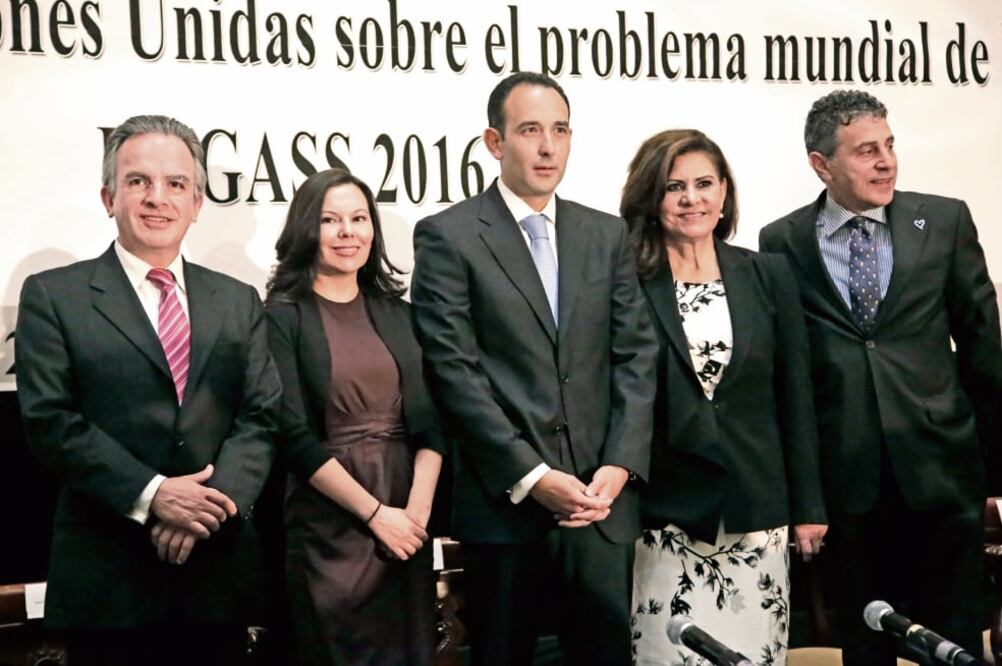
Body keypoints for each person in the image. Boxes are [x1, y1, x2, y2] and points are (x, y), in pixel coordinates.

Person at [410, 71, 659, 666]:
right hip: (507, 508)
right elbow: (454, 373)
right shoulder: (449, 236)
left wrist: (619, 465)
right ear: (496, 143)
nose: (548, 146)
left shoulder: (605, 233)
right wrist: (533, 476)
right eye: (530, 131)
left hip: (601, 505)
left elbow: (636, 356)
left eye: (560, 130)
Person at [14, 115, 280, 666]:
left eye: (176, 184)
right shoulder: (53, 296)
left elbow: (261, 416)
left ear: (198, 203)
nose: (157, 198)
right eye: (138, 181)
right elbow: (51, 422)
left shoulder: (238, 300)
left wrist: (210, 507)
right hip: (108, 580)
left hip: (216, 571)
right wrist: (156, 494)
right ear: (109, 197)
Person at [760, 90, 1002, 664]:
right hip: (850, 483)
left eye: (889, 145)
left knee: (955, 645)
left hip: (942, 471)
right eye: (866, 150)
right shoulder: (781, 242)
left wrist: (995, 474)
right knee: (866, 644)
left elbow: (983, 350)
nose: (887, 161)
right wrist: (806, 496)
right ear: (822, 165)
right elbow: (790, 378)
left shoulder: (943, 220)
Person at [620, 129, 828, 664]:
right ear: (651, 198)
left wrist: (808, 506)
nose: (692, 199)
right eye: (674, 187)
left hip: (757, 511)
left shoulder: (767, 273)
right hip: (665, 515)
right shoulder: (626, 280)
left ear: (725, 191)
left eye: (704, 183)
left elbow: (795, 396)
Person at [265, 168, 445, 666]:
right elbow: (292, 435)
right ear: (306, 229)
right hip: (330, 519)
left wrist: (416, 513)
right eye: (330, 220)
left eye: (359, 218)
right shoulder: (282, 317)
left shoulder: (400, 314)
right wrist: (374, 514)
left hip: (407, 515)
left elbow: (432, 424)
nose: (348, 232)